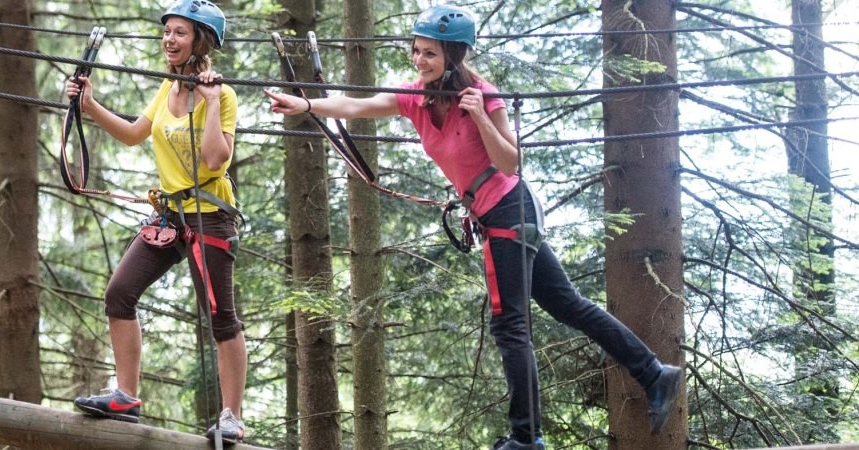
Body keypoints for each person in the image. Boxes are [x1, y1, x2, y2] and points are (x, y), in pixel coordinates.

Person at [265, 5, 683, 449]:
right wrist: (307, 103)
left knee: (511, 326)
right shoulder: (417, 96)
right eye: (416, 51)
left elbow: (509, 161)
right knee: (567, 305)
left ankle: (526, 438)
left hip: (509, 210)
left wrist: (481, 116)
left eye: (429, 53)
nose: (419, 60)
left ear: (454, 55)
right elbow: (359, 104)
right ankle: (653, 373)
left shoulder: (484, 94)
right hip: (495, 215)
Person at [65, 0, 248, 443]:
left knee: (221, 317)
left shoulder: (221, 95)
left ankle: (232, 416)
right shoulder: (167, 88)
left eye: (180, 32)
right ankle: (125, 395)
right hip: (169, 217)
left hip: (210, 219)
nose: (169, 39)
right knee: (119, 294)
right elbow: (132, 134)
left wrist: (206, 102)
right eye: (167, 31)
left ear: (200, 40)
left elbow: (214, 158)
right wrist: (89, 105)